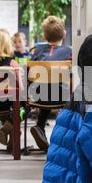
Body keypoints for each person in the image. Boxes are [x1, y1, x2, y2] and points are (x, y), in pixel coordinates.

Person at [30, 16, 72, 151]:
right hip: (60, 96)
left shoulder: (37, 50)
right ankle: (63, 136)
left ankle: (40, 127)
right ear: (64, 34)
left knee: (45, 89)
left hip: (36, 95)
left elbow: (29, 72)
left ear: (44, 35)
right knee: (62, 91)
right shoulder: (69, 52)